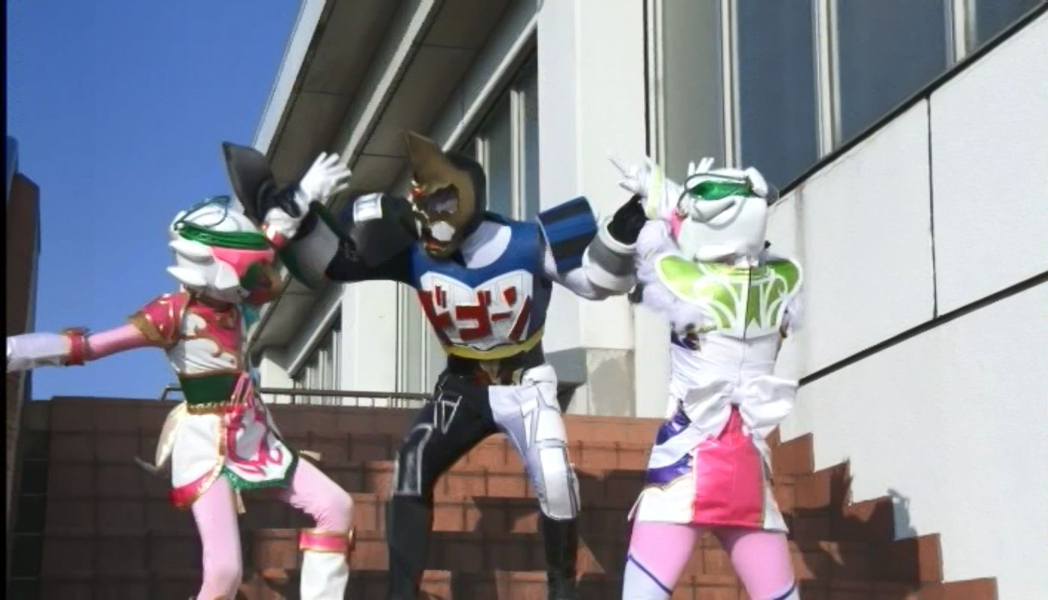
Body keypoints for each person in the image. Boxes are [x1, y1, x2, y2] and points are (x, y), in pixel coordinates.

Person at [224, 132, 648, 599]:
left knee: (555, 478)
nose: (429, 220)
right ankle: (401, 593)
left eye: (440, 204)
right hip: (462, 386)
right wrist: (298, 209)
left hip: (526, 382)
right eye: (420, 205)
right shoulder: (414, 251)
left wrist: (628, 222)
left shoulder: (529, 241)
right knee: (412, 465)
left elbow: (597, 282)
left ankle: (561, 587)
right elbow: (333, 265)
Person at [5, 149, 356, 600]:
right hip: (206, 443)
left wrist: (306, 193)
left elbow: (270, 240)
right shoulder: (171, 313)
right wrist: (14, 351)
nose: (258, 276)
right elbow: (88, 347)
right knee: (224, 573)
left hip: (252, 434)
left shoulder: (234, 293)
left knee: (336, 506)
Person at [610, 155, 804, 600]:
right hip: (747, 462)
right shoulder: (784, 278)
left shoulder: (686, 280)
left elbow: (659, 244)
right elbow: (720, 239)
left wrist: (657, 196)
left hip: (686, 459)